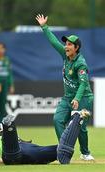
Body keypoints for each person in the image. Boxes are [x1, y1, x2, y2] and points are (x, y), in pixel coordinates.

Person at [36, 14, 94, 161]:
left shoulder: (81, 64)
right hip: (68, 97)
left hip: (84, 97)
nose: (66, 46)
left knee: (80, 127)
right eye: (66, 44)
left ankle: (85, 153)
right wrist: (44, 27)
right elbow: (54, 42)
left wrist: (77, 98)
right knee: (57, 120)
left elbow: (83, 83)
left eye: (69, 44)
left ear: (76, 48)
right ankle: (65, 149)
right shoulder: (65, 55)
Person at [0, 109, 91, 165]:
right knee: (61, 150)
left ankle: (8, 124)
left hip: (15, 155)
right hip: (32, 153)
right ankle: (77, 118)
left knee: (12, 154)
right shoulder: (15, 141)